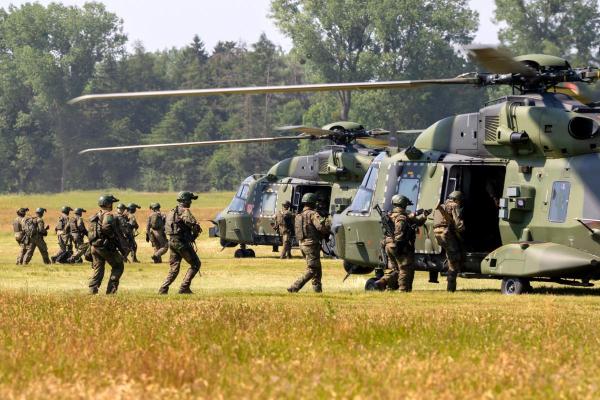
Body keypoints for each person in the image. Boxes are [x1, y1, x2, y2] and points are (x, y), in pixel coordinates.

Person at [375, 195, 429, 292]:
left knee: (395, 269)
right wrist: (400, 247)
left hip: (388, 245)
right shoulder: (402, 218)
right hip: (398, 245)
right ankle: (403, 289)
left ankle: (386, 284)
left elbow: (416, 222)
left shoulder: (391, 215)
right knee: (405, 268)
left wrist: (424, 216)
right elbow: (399, 235)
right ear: (403, 204)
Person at [158, 192, 202, 295]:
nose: (191, 202)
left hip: (172, 242)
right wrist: (196, 230)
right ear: (185, 200)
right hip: (181, 243)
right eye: (190, 200)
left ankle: (163, 289)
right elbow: (193, 225)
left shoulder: (172, 211)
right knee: (196, 264)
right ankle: (184, 288)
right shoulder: (185, 211)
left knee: (174, 268)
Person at [288, 193, 331, 293]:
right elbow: (321, 227)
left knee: (317, 267)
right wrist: (328, 226)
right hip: (311, 245)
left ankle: (317, 290)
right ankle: (294, 287)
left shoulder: (299, 215)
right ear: (313, 203)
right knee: (312, 269)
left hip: (302, 244)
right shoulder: (312, 214)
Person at [88, 194, 129, 295]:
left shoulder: (96, 215)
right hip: (105, 247)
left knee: (98, 268)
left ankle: (92, 290)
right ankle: (111, 291)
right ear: (108, 204)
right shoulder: (108, 215)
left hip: (94, 246)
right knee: (118, 266)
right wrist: (112, 237)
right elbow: (106, 227)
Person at [433, 191, 466, 292]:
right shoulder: (454, 206)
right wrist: (462, 229)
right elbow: (458, 224)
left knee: (450, 255)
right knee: (454, 261)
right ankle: (450, 289)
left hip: (437, 234)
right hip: (447, 235)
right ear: (456, 199)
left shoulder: (442, 206)